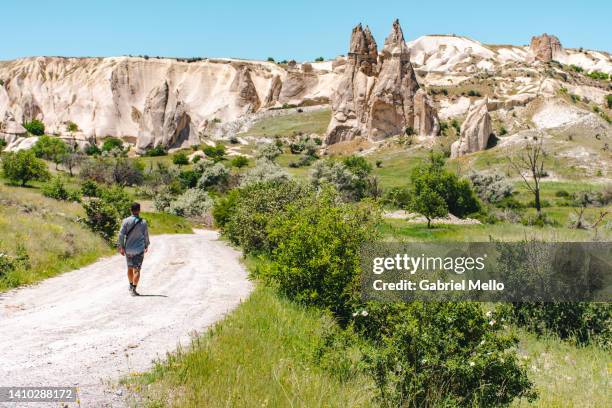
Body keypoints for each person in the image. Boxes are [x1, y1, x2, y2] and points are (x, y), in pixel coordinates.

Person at [118, 202, 150, 296]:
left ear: (130, 210)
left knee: (129, 268)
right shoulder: (143, 222)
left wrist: (121, 246)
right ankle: (134, 289)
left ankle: (130, 285)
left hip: (128, 249)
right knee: (137, 270)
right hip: (139, 250)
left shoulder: (126, 221)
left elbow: (121, 234)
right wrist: (146, 245)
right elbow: (145, 235)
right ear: (139, 210)